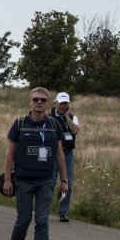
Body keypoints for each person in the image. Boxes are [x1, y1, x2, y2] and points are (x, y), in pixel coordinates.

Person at [3, 87, 69, 240]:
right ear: (30, 102)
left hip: (46, 181)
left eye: (42, 100)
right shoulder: (19, 124)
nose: (39, 103)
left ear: (48, 103)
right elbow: (10, 154)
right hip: (23, 180)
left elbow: (59, 154)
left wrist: (64, 180)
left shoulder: (54, 125)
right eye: (35, 99)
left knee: (42, 220)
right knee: (23, 220)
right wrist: (8, 179)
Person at [51, 92, 80, 222]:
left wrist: (67, 116)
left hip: (67, 153)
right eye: (61, 103)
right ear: (56, 103)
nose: (63, 106)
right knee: (50, 181)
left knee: (67, 182)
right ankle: (43, 209)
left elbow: (75, 131)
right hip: (53, 153)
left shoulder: (73, 117)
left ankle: (63, 212)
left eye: (65, 104)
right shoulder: (49, 117)